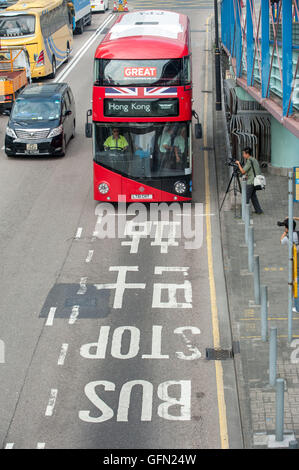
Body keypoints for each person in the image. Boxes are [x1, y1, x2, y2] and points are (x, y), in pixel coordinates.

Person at [235, 147, 263, 215]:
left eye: (244, 154)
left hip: (251, 182)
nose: (243, 155)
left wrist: (238, 164)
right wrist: (249, 174)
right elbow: (255, 170)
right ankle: (259, 210)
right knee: (253, 196)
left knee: (245, 197)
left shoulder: (249, 161)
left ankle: (243, 214)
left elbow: (243, 171)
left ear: (247, 154)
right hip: (256, 181)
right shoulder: (254, 160)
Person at [280, 217, 299, 313]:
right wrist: (293, 218)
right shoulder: (298, 233)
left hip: (296, 265)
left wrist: (285, 232)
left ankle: (297, 307)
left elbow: (281, 240)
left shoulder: (288, 238)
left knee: (296, 286)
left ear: (287, 228)